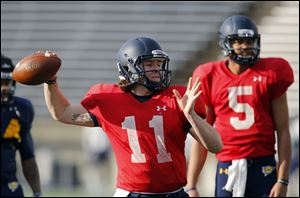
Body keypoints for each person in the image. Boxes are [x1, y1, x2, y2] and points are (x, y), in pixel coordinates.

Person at [43, 37, 223, 197]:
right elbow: (62, 112)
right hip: (131, 193)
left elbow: (216, 146)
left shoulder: (176, 98)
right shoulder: (109, 100)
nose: (157, 69)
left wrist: (191, 115)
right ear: (129, 67)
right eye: (149, 64)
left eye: (159, 64)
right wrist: (50, 82)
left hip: (174, 193)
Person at [185, 15, 294, 197]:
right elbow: (203, 135)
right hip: (227, 165)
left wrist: (282, 179)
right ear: (226, 43)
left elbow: (283, 130)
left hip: (263, 166)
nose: (245, 46)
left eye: (249, 41)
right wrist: (191, 184)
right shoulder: (209, 75)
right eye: (238, 41)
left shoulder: (272, 71)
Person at [1, 54, 42, 197]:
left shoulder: (21, 110)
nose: (3, 88)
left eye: (6, 82)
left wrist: (37, 192)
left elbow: (28, 156)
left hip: (7, 184)